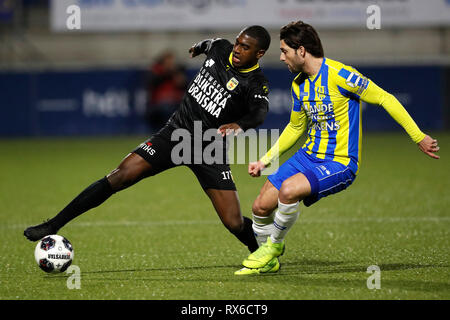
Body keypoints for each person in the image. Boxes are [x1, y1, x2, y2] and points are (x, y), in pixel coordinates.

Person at [24, 26, 272, 258]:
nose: (238, 49)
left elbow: (259, 112)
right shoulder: (221, 48)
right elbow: (210, 43)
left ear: (259, 53)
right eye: (238, 43)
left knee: (234, 222)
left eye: (245, 47)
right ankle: (53, 224)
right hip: (175, 134)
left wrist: (240, 125)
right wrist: (198, 47)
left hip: (209, 149)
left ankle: (260, 252)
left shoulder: (255, 83)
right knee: (121, 175)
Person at [234, 21, 440, 275]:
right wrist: (265, 160)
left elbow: (385, 98)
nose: (281, 57)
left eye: (284, 50)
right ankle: (270, 259)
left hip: (339, 162)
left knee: (289, 191)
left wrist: (417, 136)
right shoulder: (299, 84)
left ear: (301, 51)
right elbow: (296, 127)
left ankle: (272, 248)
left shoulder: (342, 76)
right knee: (260, 207)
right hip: (308, 156)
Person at [145, 50, 187, 133]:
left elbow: (184, 86)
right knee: (166, 108)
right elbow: (152, 84)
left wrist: (180, 79)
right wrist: (167, 72)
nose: (170, 63)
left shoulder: (177, 72)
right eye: (168, 61)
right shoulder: (157, 71)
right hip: (159, 104)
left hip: (175, 102)